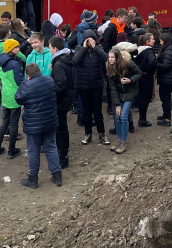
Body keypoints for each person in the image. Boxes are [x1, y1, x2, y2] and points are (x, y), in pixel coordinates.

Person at [17, 64, 62, 189]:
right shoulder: (49, 80)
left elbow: (18, 98)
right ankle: (57, 175)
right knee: (51, 147)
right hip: (50, 121)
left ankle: (33, 179)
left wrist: (24, 83)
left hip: (34, 124)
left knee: (33, 151)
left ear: (28, 76)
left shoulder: (27, 85)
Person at [73, 31, 110, 145]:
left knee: (97, 111)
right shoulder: (79, 49)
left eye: (91, 39)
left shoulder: (98, 49)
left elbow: (105, 59)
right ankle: (87, 133)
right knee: (86, 111)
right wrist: (84, 48)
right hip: (83, 85)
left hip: (96, 85)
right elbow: (75, 61)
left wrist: (95, 48)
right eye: (87, 40)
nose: (89, 42)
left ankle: (101, 134)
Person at [0, 40, 24, 160]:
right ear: (11, 49)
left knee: (4, 123)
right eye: (16, 47)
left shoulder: (2, 60)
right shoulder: (15, 65)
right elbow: (19, 81)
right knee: (14, 123)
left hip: (5, 96)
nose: (18, 49)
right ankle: (12, 150)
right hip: (14, 97)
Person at [107, 48, 142, 155]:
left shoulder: (128, 63)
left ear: (117, 58)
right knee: (117, 116)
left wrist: (130, 80)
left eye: (112, 57)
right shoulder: (109, 67)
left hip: (130, 92)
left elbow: (139, 73)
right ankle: (119, 139)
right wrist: (117, 104)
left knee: (123, 116)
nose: (110, 59)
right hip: (119, 94)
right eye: (109, 57)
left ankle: (124, 142)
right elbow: (112, 88)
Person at [48, 36, 74, 168]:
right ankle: (63, 153)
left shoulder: (59, 64)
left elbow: (60, 84)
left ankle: (62, 155)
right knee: (62, 127)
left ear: (56, 49)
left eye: (50, 47)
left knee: (60, 128)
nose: (49, 49)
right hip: (67, 98)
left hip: (60, 100)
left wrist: (50, 92)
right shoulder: (67, 58)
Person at [155, 35, 172, 127]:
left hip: (167, 78)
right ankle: (165, 115)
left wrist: (156, 63)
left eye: (161, 41)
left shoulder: (169, 52)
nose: (160, 43)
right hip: (169, 78)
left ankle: (167, 119)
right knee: (165, 97)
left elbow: (166, 66)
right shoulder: (171, 49)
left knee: (165, 98)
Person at [134, 33, 157, 128]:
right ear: (147, 41)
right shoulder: (149, 51)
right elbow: (152, 62)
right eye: (152, 39)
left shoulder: (137, 50)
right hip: (147, 77)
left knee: (140, 97)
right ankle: (142, 120)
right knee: (146, 98)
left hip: (139, 76)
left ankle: (141, 118)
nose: (154, 40)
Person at [0, 23, 13, 105]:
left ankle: (4, 115)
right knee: (9, 99)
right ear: (7, 34)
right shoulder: (8, 45)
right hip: (7, 74)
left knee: (3, 98)